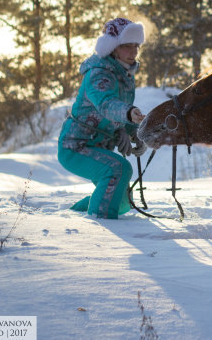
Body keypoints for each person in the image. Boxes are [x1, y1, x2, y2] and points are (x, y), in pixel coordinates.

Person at [58, 17, 148, 218]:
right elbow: (106, 104)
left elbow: (121, 116)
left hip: (99, 146)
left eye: (136, 46)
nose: (133, 51)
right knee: (119, 169)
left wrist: (134, 133)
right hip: (76, 147)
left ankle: (75, 215)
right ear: (113, 47)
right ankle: (101, 225)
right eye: (127, 46)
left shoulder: (124, 75)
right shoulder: (99, 73)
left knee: (122, 200)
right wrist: (128, 113)